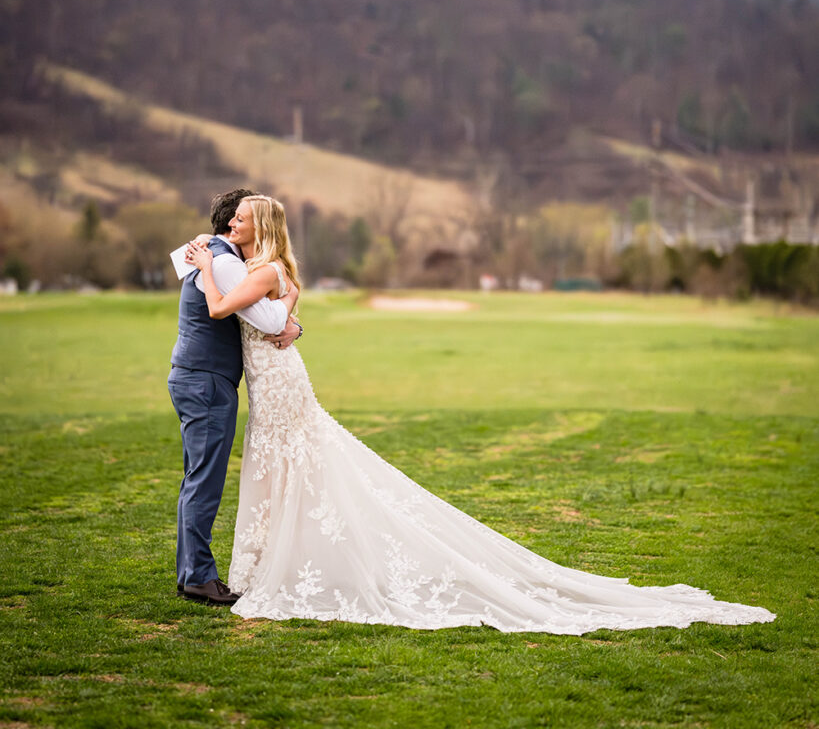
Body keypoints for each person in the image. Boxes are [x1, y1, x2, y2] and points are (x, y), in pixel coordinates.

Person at [186, 196, 775, 632]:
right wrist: (289, 318)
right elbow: (282, 317)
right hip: (277, 382)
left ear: (259, 227)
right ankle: (273, 565)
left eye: (237, 221)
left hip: (279, 386)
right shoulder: (279, 271)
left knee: (289, 467)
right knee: (287, 469)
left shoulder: (259, 268)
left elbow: (221, 307)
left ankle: (273, 570)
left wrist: (205, 265)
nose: (228, 225)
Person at [169, 189, 301, 606]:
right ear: (231, 224)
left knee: (198, 478)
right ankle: (198, 578)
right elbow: (268, 319)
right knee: (204, 482)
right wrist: (291, 307)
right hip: (205, 381)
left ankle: (191, 573)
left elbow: (265, 312)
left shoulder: (219, 255)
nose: (234, 226)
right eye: (236, 219)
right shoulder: (224, 263)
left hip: (201, 378)